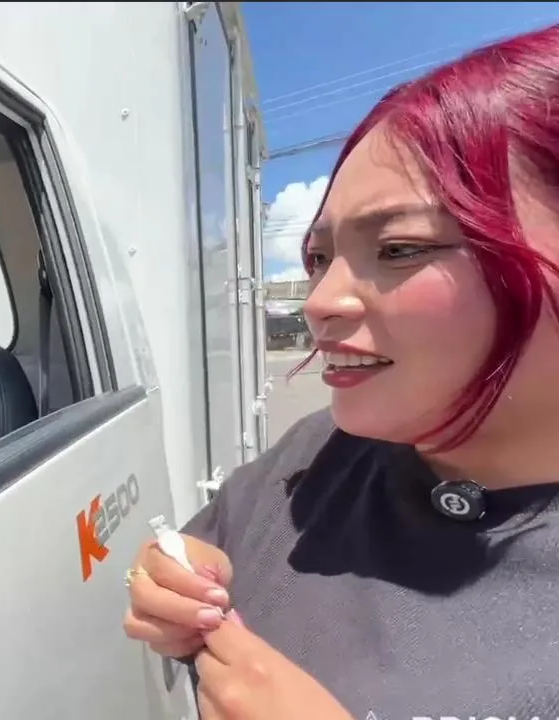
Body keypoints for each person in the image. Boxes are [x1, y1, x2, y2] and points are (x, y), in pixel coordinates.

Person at [123, 24, 559, 720]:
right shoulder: (320, 450)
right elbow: (205, 544)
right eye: (320, 258)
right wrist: (172, 579)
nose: (319, 302)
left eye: (400, 248)